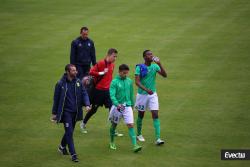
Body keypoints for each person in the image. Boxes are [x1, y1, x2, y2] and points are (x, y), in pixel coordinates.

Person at [51, 64, 91, 162]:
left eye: (75, 70)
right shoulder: (60, 84)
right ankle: (73, 154)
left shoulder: (78, 82)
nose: (76, 72)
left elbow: (84, 93)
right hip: (66, 113)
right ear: (67, 72)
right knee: (69, 132)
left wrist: (87, 104)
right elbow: (56, 99)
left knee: (70, 131)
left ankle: (62, 146)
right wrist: (54, 113)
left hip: (76, 112)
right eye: (73, 70)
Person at [80, 48, 123, 136]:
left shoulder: (112, 65)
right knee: (94, 110)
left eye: (116, 57)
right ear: (109, 55)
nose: (115, 58)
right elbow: (91, 72)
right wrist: (101, 73)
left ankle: (113, 130)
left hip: (107, 91)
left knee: (112, 109)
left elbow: (109, 77)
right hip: (98, 91)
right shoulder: (101, 63)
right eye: (114, 56)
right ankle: (83, 124)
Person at [134, 50, 167, 145]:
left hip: (152, 95)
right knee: (141, 115)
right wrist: (146, 89)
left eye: (151, 54)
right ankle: (139, 134)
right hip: (142, 95)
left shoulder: (155, 66)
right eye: (149, 54)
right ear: (144, 57)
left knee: (155, 114)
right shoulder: (139, 67)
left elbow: (165, 75)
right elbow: (137, 82)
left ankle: (158, 139)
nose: (151, 55)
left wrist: (160, 64)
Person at [109, 64, 142, 152]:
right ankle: (112, 142)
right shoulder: (114, 82)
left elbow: (131, 94)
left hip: (127, 107)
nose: (125, 75)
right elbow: (112, 95)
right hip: (117, 107)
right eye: (124, 73)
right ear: (119, 72)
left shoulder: (129, 81)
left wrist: (132, 105)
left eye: (126, 73)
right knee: (114, 125)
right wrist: (117, 104)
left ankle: (135, 145)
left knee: (130, 125)